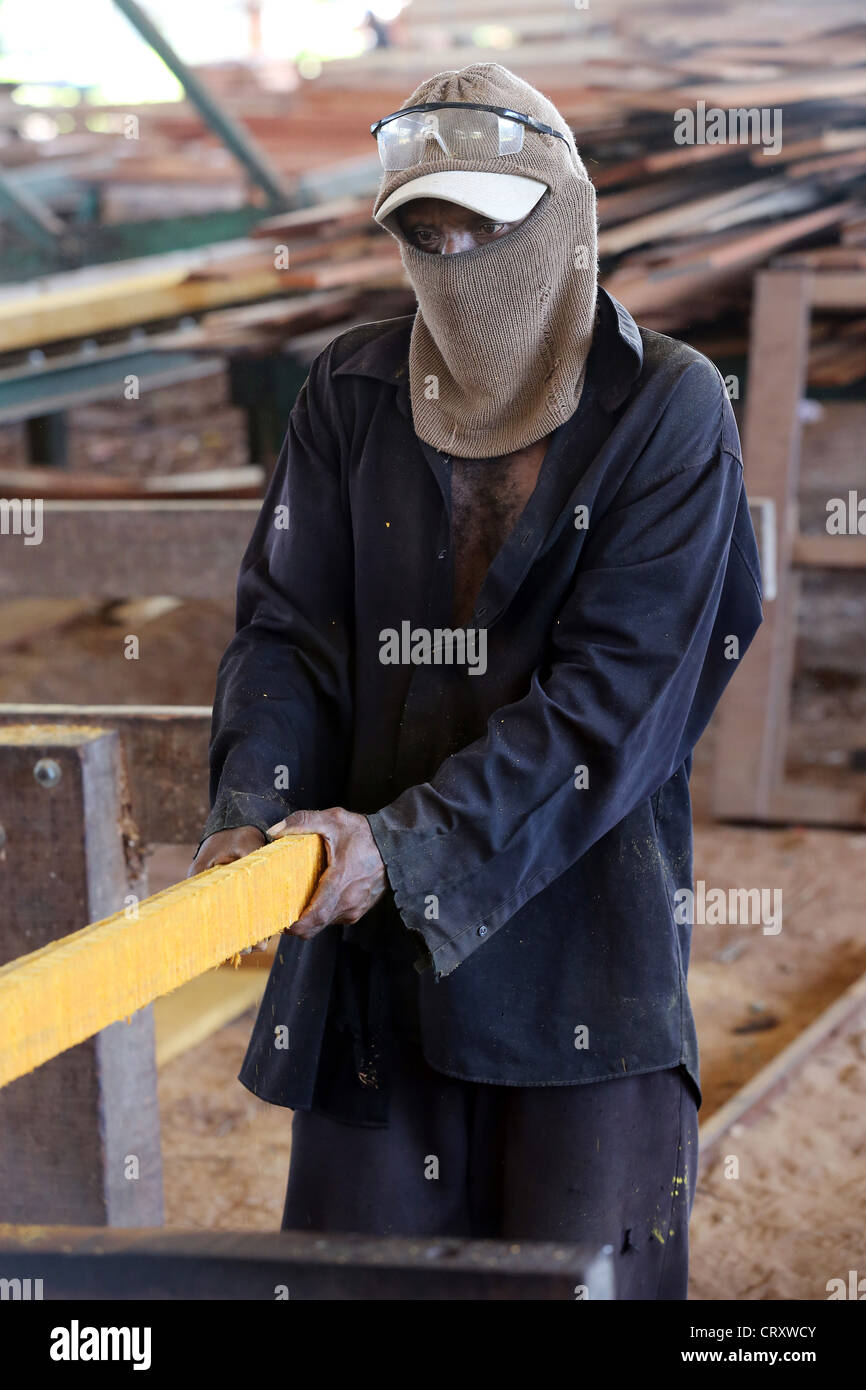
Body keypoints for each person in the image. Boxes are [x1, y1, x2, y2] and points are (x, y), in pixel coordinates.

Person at [190, 63, 763, 1300]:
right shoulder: (349, 395)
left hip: (578, 959)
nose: (453, 263)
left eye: (484, 230)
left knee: (572, 1282)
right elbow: (285, 634)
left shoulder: (663, 413)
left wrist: (401, 847)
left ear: (560, 218)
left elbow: (605, 709)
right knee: (364, 1284)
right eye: (424, 234)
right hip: (365, 959)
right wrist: (253, 804)